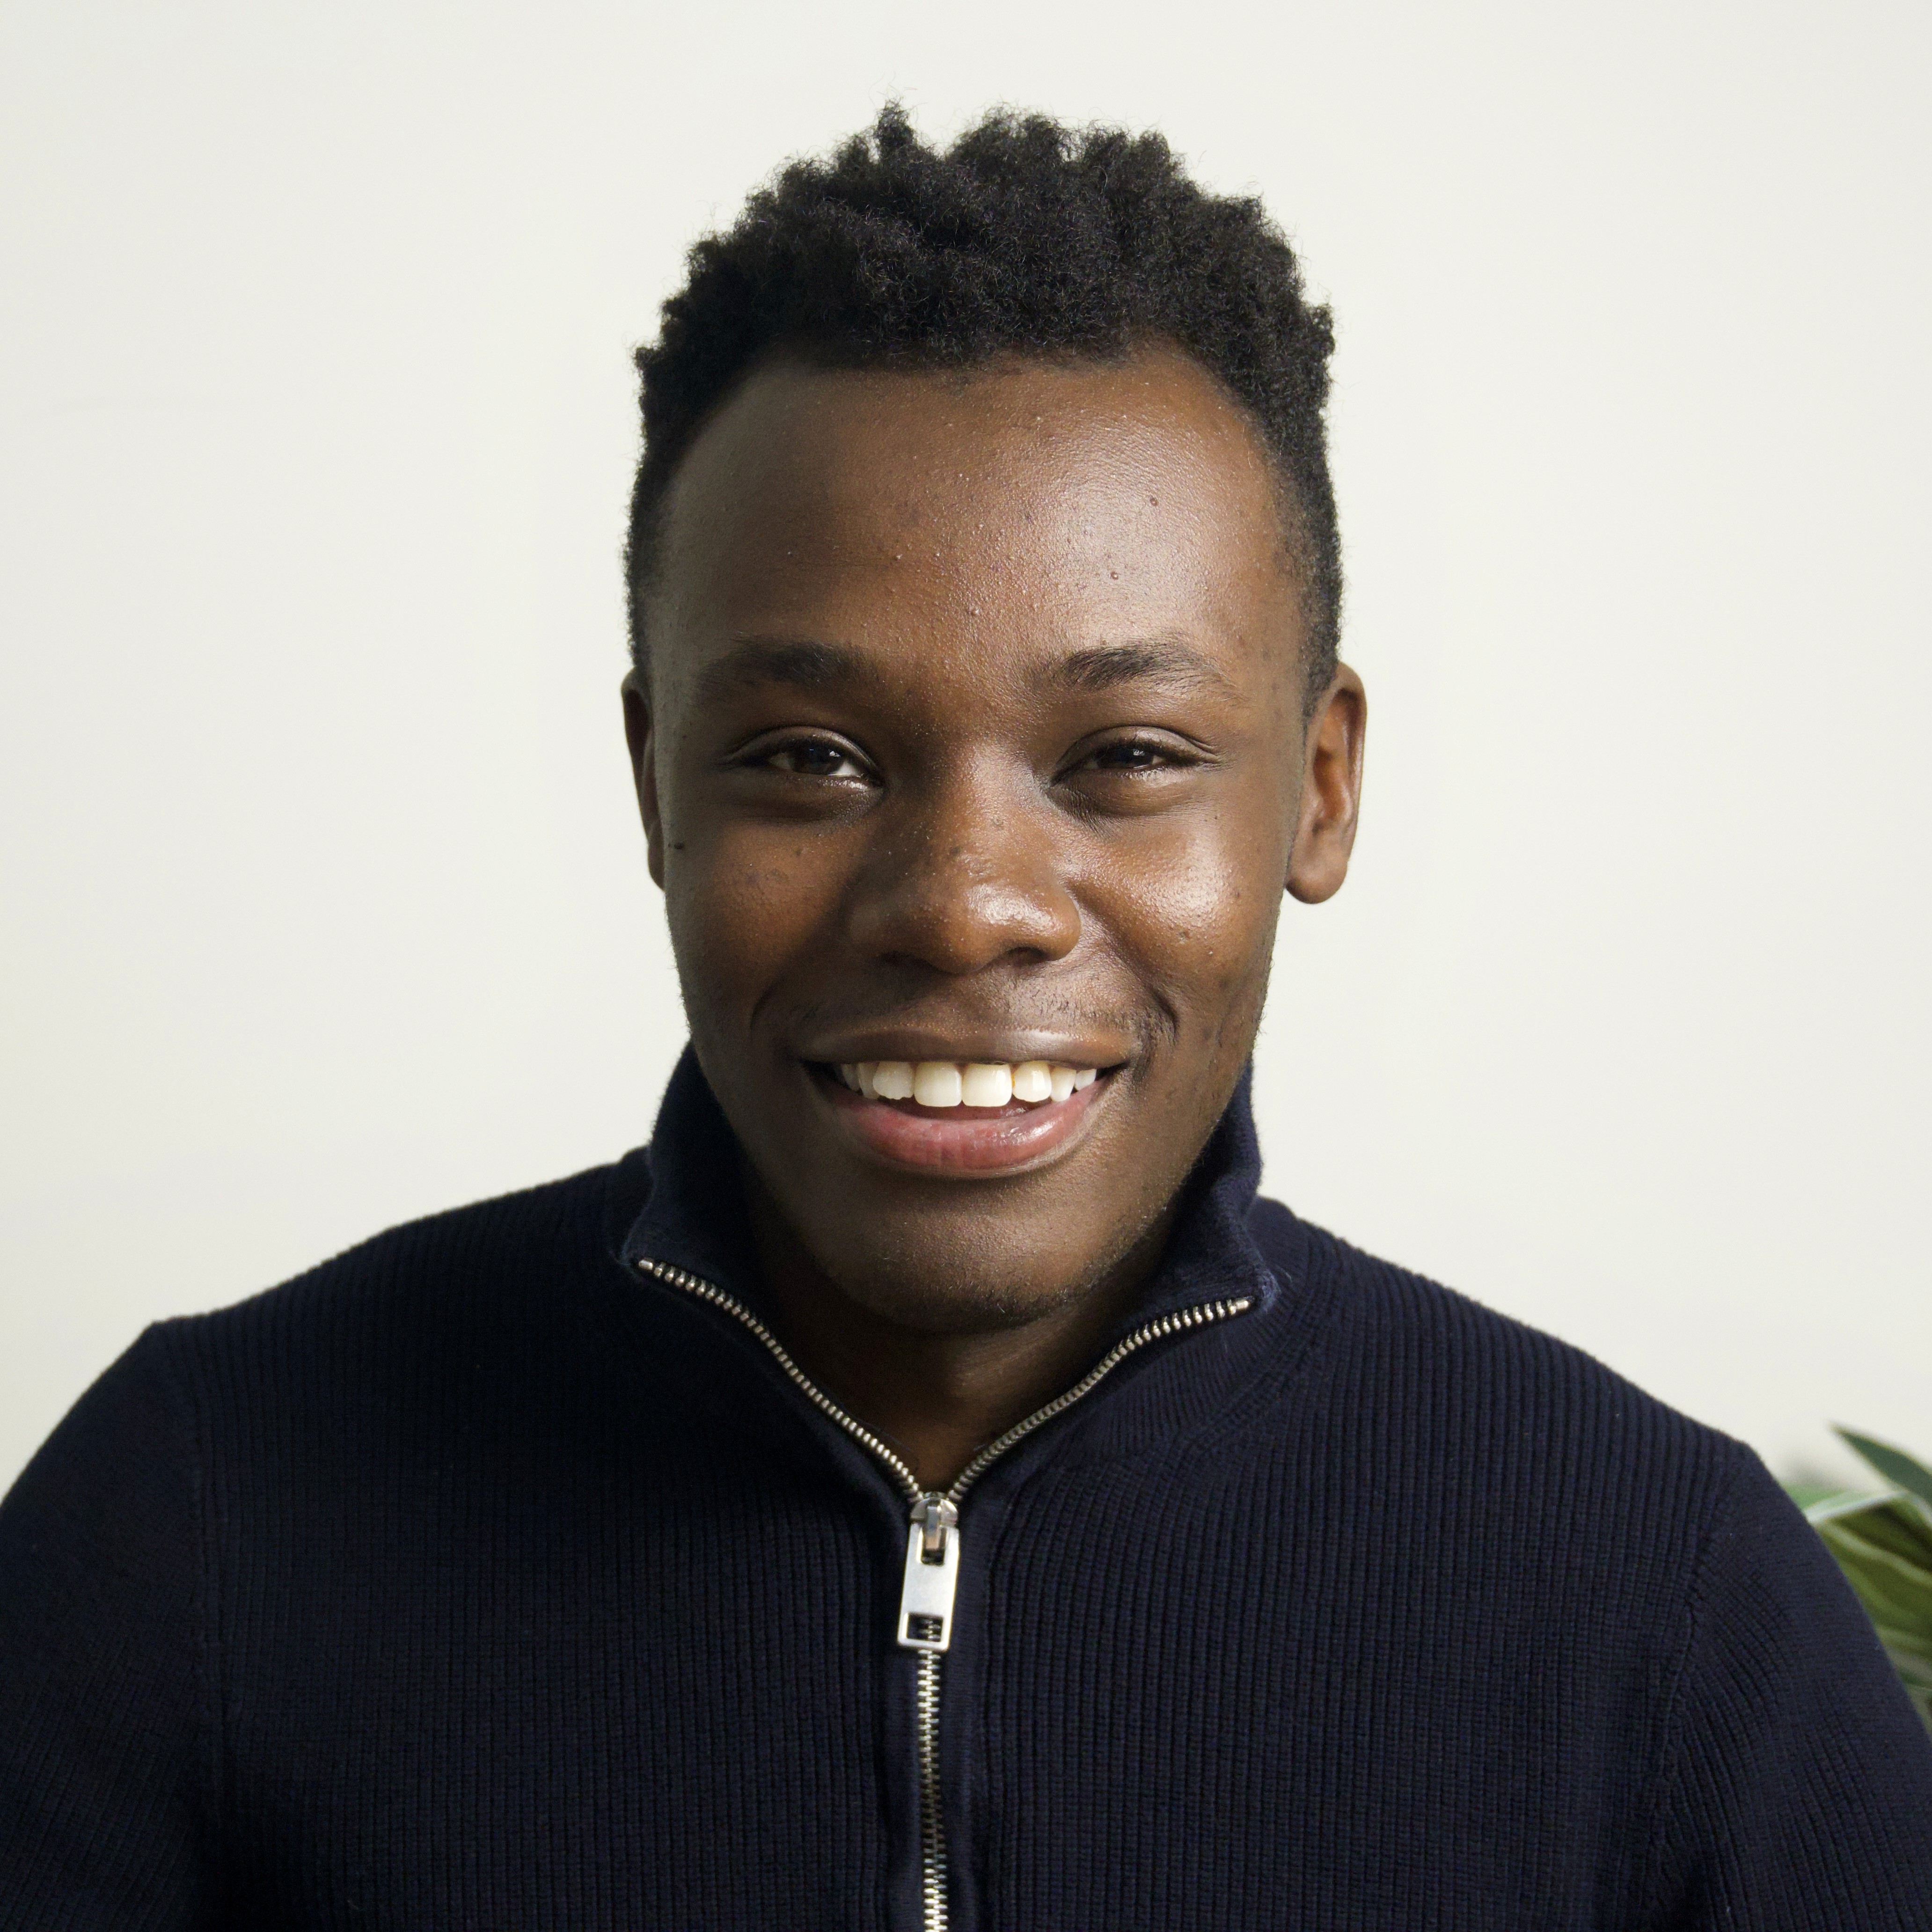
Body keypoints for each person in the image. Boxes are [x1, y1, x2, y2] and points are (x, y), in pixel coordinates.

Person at [3, 107, 1929, 1932]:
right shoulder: (197, 1522)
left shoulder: (1658, 1598)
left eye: (1127, 755)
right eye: (812, 757)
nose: (966, 901)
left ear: (1320, 789)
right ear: (656, 778)